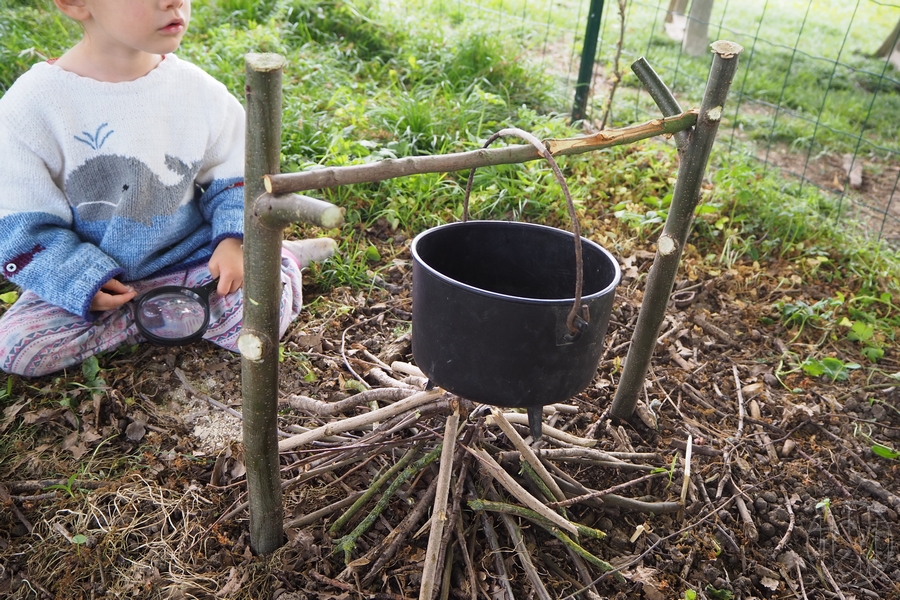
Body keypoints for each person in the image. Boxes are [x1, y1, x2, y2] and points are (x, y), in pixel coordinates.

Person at [0, 0, 336, 377]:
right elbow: (20, 222)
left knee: (260, 320)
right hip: (102, 280)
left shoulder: (200, 93)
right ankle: (167, 313)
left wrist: (234, 242)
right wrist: (78, 281)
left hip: (197, 261)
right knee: (18, 349)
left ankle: (280, 260)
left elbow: (239, 180)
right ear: (76, 3)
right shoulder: (31, 108)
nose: (174, 1)